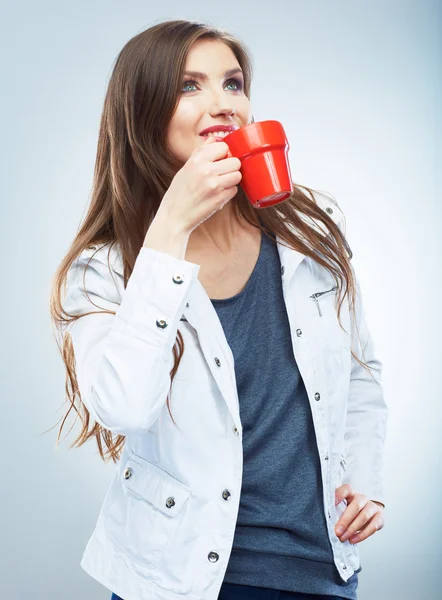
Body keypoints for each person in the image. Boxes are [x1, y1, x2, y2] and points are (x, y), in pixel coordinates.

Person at [49, 18, 388, 600]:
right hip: (181, 580)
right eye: (189, 86)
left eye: (233, 84)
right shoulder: (104, 270)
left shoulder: (306, 232)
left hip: (320, 571)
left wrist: (366, 481)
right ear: (141, 112)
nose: (222, 104)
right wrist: (170, 228)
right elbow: (124, 407)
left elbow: (358, 373)